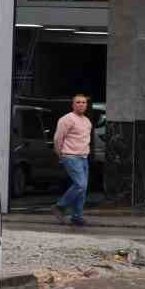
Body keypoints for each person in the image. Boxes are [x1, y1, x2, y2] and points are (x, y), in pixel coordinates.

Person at [51, 94, 92, 226]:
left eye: (83, 102)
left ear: (86, 105)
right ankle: (60, 206)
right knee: (80, 185)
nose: (81, 104)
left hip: (84, 157)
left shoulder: (87, 121)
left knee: (82, 189)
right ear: (73, 105)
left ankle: (77, 217)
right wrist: (60, 155)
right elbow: (58, 138)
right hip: (71, 156)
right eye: (78, 102)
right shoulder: (67, 119)